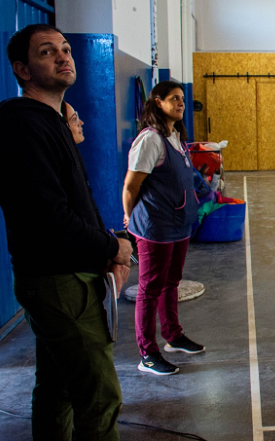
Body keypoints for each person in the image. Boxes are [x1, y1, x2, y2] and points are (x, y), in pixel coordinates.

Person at [0, 24, 131, 440]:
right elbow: (52, 219)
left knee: (58, 386)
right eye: (47, 52)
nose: (64, 56)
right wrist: (113, 248)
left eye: (65, 49)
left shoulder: (50, 124)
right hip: (60, 281)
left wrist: (110, 243)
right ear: (22, 69)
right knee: (99, 396)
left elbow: (76, 200)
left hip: (63, 276)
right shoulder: (23, 126)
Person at [122, 81, 205, 376]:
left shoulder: (176, 137)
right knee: (150, 289)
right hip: (155, 226)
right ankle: (147, 353)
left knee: (172, 281)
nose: (181, 103)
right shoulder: (150, 139)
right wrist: (130, 219)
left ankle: (173, 336)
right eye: (174, 99)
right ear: (157, 102)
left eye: (182, 99)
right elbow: (131, 186)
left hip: (179, 224)